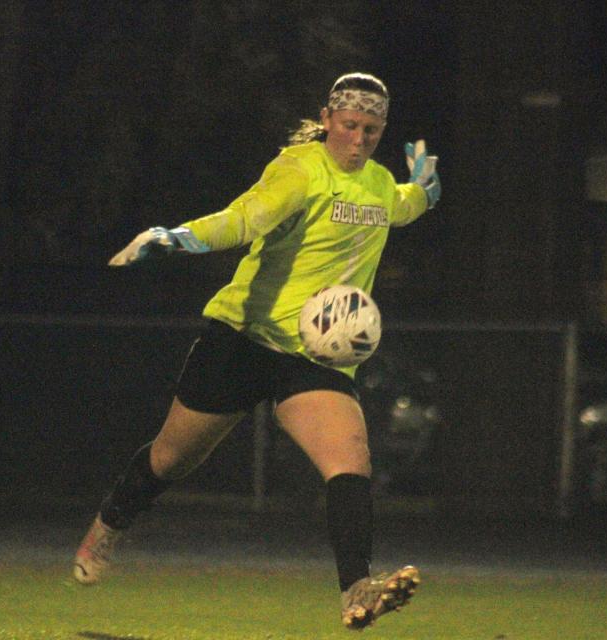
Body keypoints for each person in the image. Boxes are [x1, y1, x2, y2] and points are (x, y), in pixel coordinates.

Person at [73, 71, 441, 630]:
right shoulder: (299, 169)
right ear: (326, 120)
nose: (359, 139)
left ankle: (356, 589)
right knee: (174, 457)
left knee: (349, 460)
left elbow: (401, 204)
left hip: (315, 358)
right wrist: (177, 237)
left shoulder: (378, 184)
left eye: (371, 129)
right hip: (243, 339)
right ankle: (107, 528)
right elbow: (245, 219)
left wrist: (425, 192)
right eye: (349, 126)